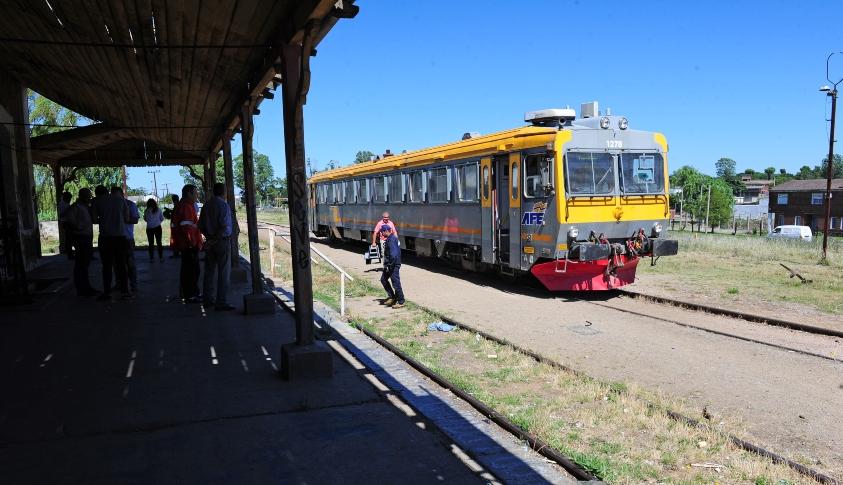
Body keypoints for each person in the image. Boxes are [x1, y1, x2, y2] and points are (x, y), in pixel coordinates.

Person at [198, 182, 234, 311]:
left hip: (209, 243)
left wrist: (208, 239)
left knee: (209, 271)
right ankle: (221, 302)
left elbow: (200, 226)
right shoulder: (223, 206)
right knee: (224, 272)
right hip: (221, 242)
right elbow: (223, 226)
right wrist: (214, 239)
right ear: (223, 192)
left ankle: (207, 300)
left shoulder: (206, 205)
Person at [96, 187, 132, 300]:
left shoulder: (97, 201)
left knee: (106, 266)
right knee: (121, 265)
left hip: (105, 237)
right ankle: (124, 291)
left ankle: (107, 292)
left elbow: (94, 219)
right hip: (120, 236)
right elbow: (127, 218)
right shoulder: (121, 200)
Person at [64, 188, 97, 296]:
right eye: (88, 196)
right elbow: (68, 219)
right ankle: (82, 289)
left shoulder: (85, 207)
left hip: (86, 237)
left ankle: (86, 287)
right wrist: (78, 228)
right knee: (81, 264)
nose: (90, 198)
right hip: (80, 237)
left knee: (85, 263)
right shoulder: (76, 207)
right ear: (82, 196)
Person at [173, 184, 202, 302]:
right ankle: (190, 295)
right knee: (191, 270)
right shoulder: (186, 206)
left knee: (190, 269)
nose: (197, 195)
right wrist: (192, 242)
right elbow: (186, 227)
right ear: (189, 193)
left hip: (186, 244)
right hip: (189, 245)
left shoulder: (184, 205)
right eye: (195, 193)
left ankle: (190, 293)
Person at [379, 225, 405, 308]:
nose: (381, 233)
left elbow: (393, 254)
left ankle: (401, 301)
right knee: (383, 279)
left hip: (393, 265)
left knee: (396, 283)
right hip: (390, 265)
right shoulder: (391, 238)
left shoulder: (391, 239)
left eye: (382, 231)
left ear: (386, 231)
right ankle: (392, 297)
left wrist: (389, 265)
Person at [124, 194, 140, 291]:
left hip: (127, 237)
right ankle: (120, 284)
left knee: (130, 262)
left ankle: (133, 284)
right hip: (114, 237)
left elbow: (135, 220)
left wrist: (123, 218)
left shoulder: (130, 205)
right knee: (117, 263)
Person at [58, 191, 74, 259]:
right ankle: (69, 254)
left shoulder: (66, 204)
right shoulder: (62, 204)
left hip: (68, 222)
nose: (70, 200)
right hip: (66, 223)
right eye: (69, 198)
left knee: (70, 238)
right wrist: (69, 209)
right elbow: (61, 215)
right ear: (65, 198)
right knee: (69, 239)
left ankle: (70, 253)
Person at [166, 194, 181, 258]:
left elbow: (176, 215)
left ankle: (176, 253)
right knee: (177, 239)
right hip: (176, 225)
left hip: (176, 225)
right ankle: (177, 252)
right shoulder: (178, 205)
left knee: (175, 239)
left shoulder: (178, 205)